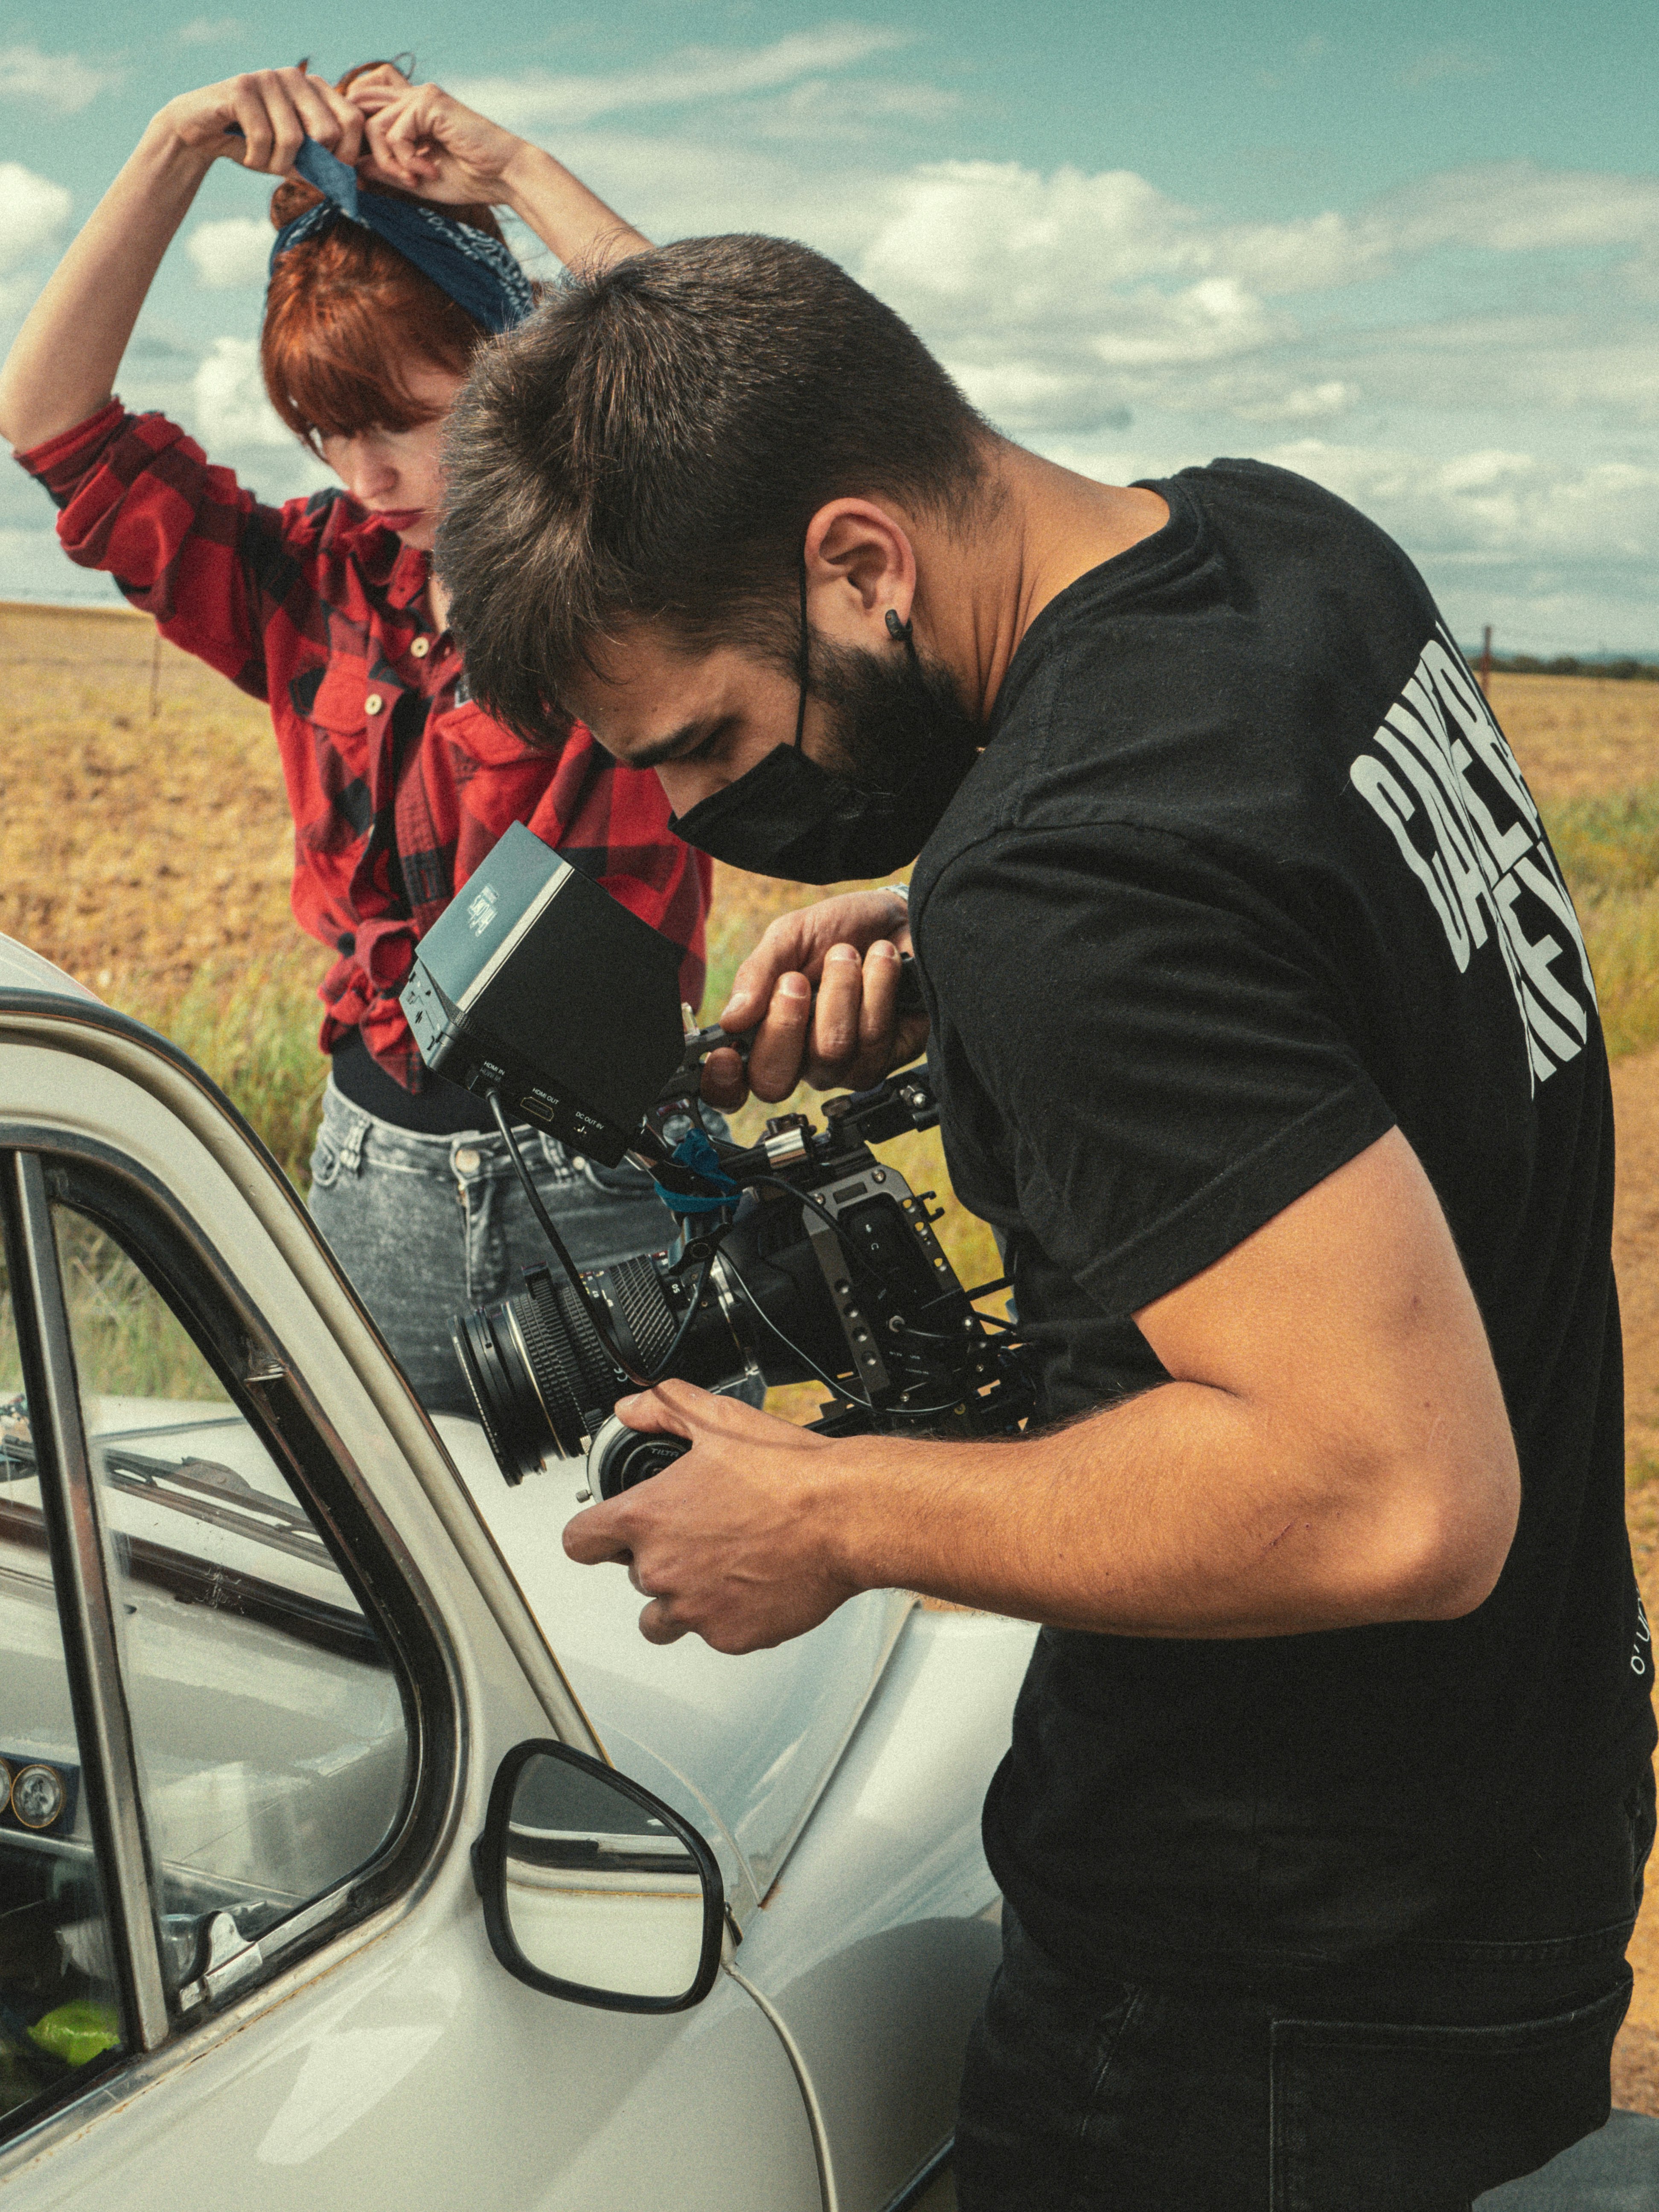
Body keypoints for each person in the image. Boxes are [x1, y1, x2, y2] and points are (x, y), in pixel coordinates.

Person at [432, 235, 1656, 2209]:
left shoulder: (1081, 880)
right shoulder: (1283, 552)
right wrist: (969, 948)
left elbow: (1397, 1498)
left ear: (862, 567)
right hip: (1510, 1808)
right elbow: (1310, 917)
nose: (700, 820)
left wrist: (830, 1512)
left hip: (1267, 1969)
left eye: (714, 749)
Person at [0, 62, 709, 1413]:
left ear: (515, 375)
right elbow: (51, 427)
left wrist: (512, 174)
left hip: (615, 1178)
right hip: (371, 1180)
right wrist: (169, 145)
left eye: (404, 425)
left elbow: (707, 380)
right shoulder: (303, 585)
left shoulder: (626, 566)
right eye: (328, 433)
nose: (363, 473)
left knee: (660, 1583)